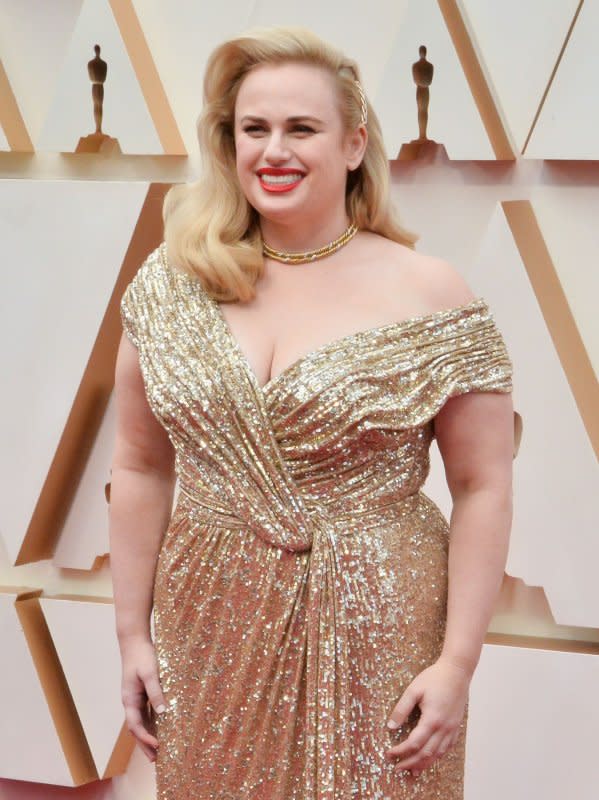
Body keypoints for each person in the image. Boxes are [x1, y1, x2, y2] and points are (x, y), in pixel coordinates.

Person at [110, 25, 514, 800]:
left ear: (354, 144)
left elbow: (482, 486)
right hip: (209, 621)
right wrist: (132, 633)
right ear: (227, 144)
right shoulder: (171, 284)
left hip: (378, 618)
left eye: (301, 128)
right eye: (252, 129)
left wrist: (457, 662)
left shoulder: (430, 292)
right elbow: (138, 464)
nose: (274, 151)